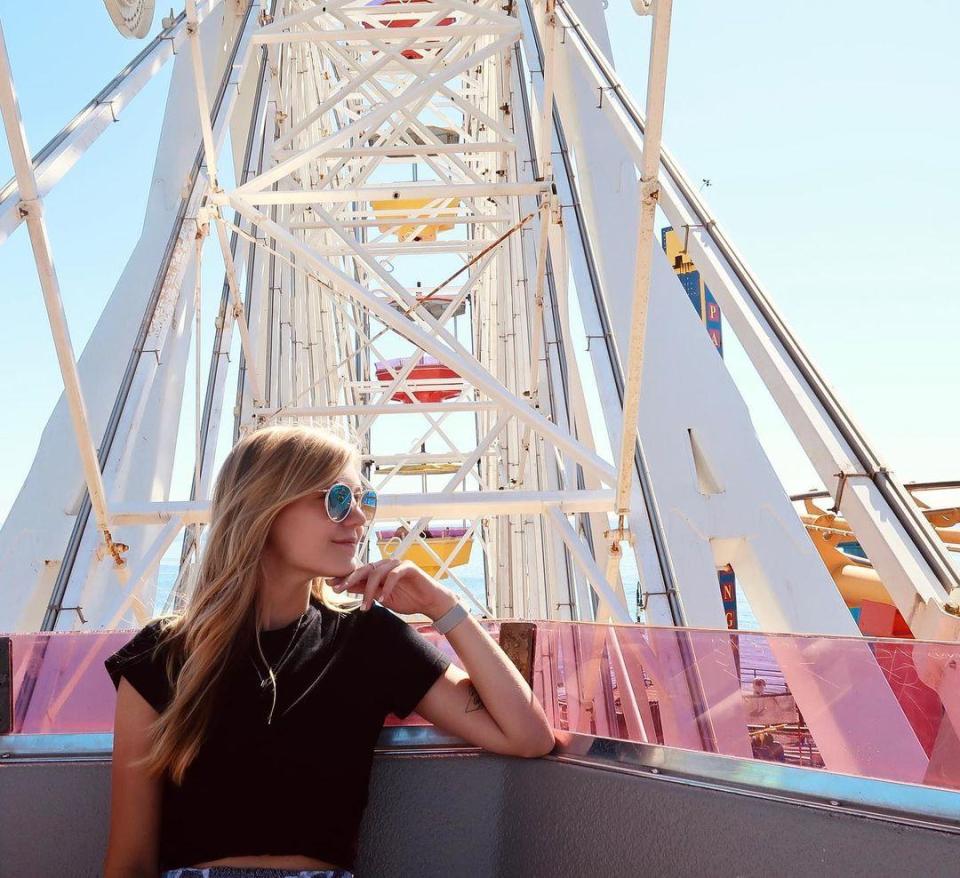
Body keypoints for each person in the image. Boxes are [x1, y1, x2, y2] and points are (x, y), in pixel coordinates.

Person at [102, 424, 555, 878]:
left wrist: (442, 607)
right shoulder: (163, 654)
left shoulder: (368, 639)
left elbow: (527, 737)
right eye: (338, 498)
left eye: (365, 500)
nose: (358, 518)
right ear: (265, 506)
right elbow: (129, 862)